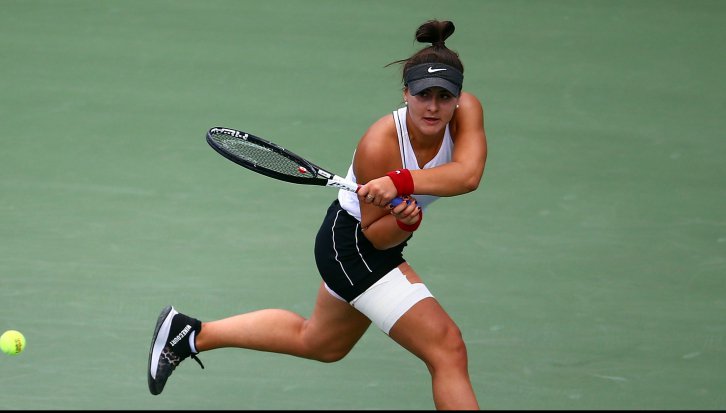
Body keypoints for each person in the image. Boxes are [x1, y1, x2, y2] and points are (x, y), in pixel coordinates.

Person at [147, 19, 487, 410]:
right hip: (353, 245)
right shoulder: (379, 143)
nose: (432, 106)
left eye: (444, 97)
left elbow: (468, 174)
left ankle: (188, 333)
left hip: (362, 240)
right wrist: (406, 220)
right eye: (422, 94)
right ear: (405, 93)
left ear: (459, 98)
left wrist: (399, 183)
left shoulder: (467, 112)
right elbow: (377, 237)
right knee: (447, 349)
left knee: (321, 342)